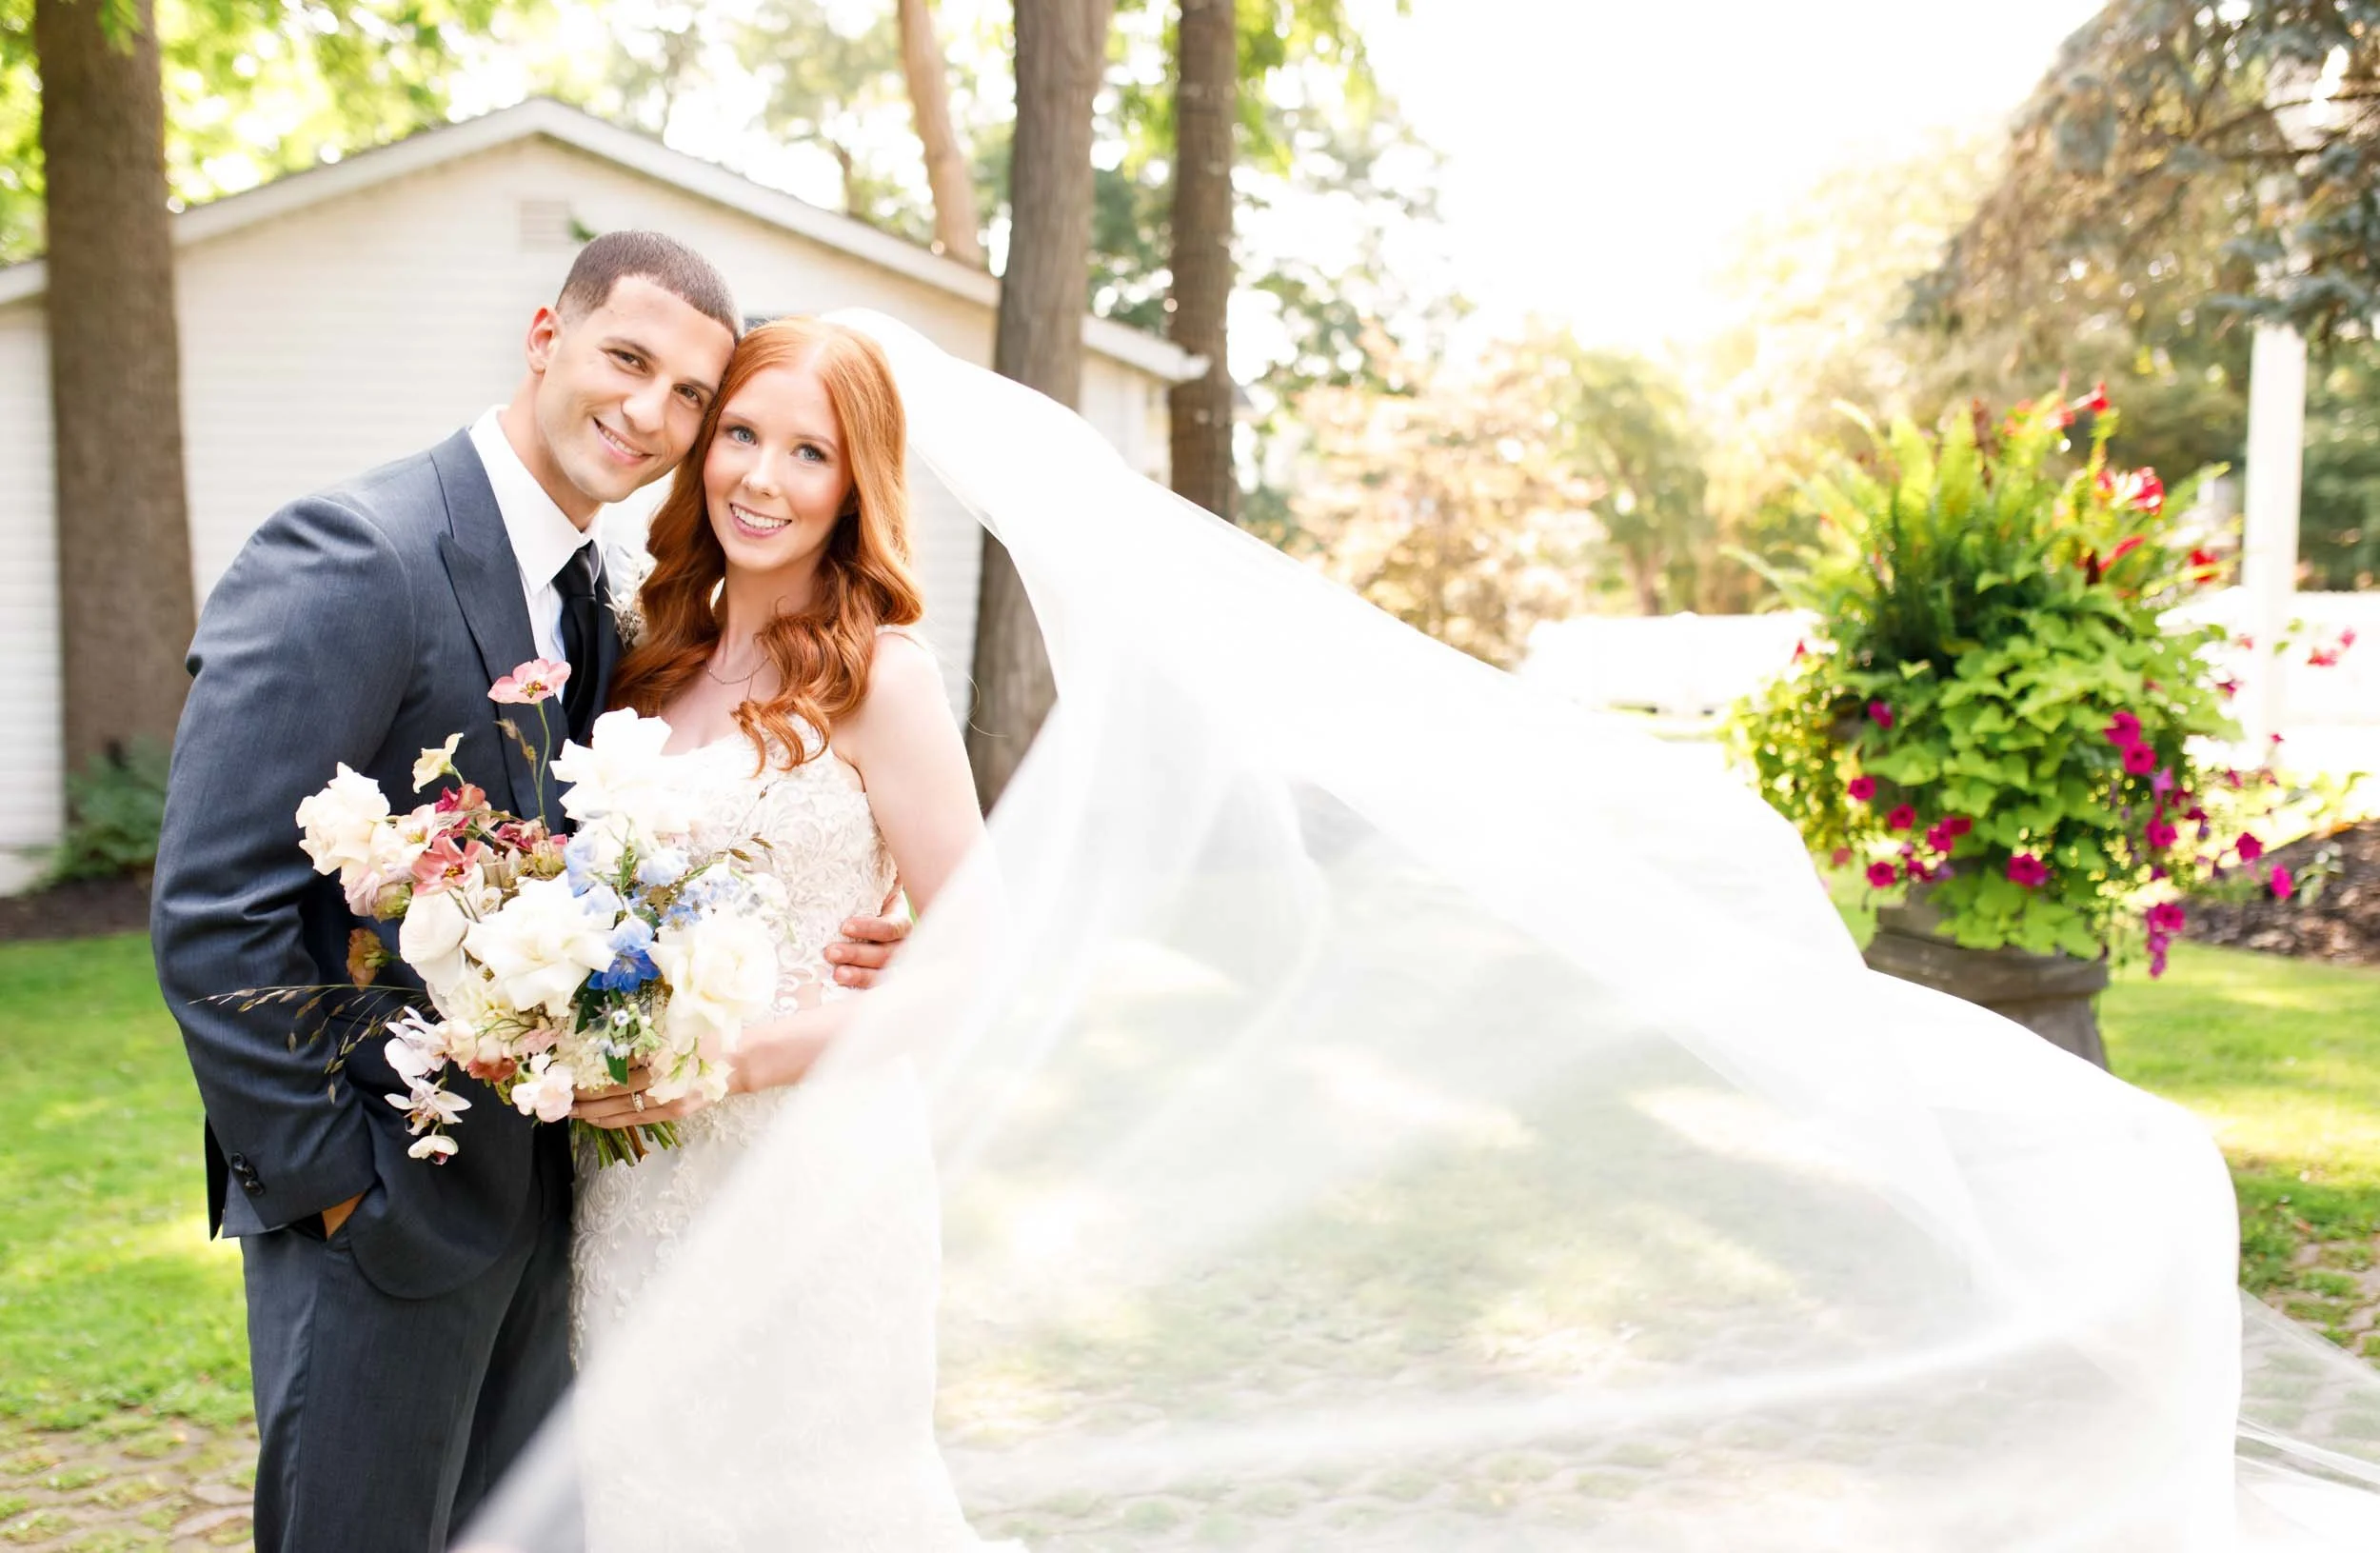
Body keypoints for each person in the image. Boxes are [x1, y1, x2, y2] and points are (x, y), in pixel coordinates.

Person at [149, 236, 910, 1553]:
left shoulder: (608, 609)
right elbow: (218, 910)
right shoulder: (358, 551)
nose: (650, 413)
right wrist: (345, 1189)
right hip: (388, 1212)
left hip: (562, 1214)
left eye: (689, 395)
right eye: (629, 358)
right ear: (544, 334)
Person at [559, 315, 996, 1548]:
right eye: (741, 434)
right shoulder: (645, 662)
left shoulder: (882, 679)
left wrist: (743, 1056)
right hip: (638, 1194)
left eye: (809, 452)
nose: (762, 476)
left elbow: (976, 956)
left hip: (816, 1175)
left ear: (856, 482)